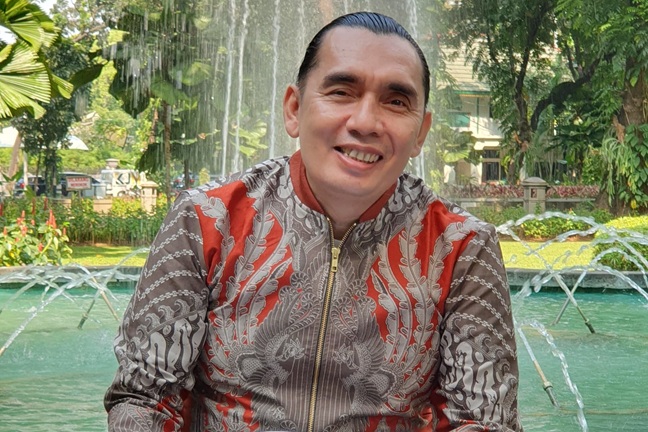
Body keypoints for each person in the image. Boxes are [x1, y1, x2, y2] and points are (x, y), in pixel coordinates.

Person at [104, 11, 522, 432]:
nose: (365, 122)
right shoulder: (208, 220)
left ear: (421, 132)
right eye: (341, 92)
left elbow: (482, 421)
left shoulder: (461, 248)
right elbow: (144, 398)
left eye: (396, 102)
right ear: (294, 108)